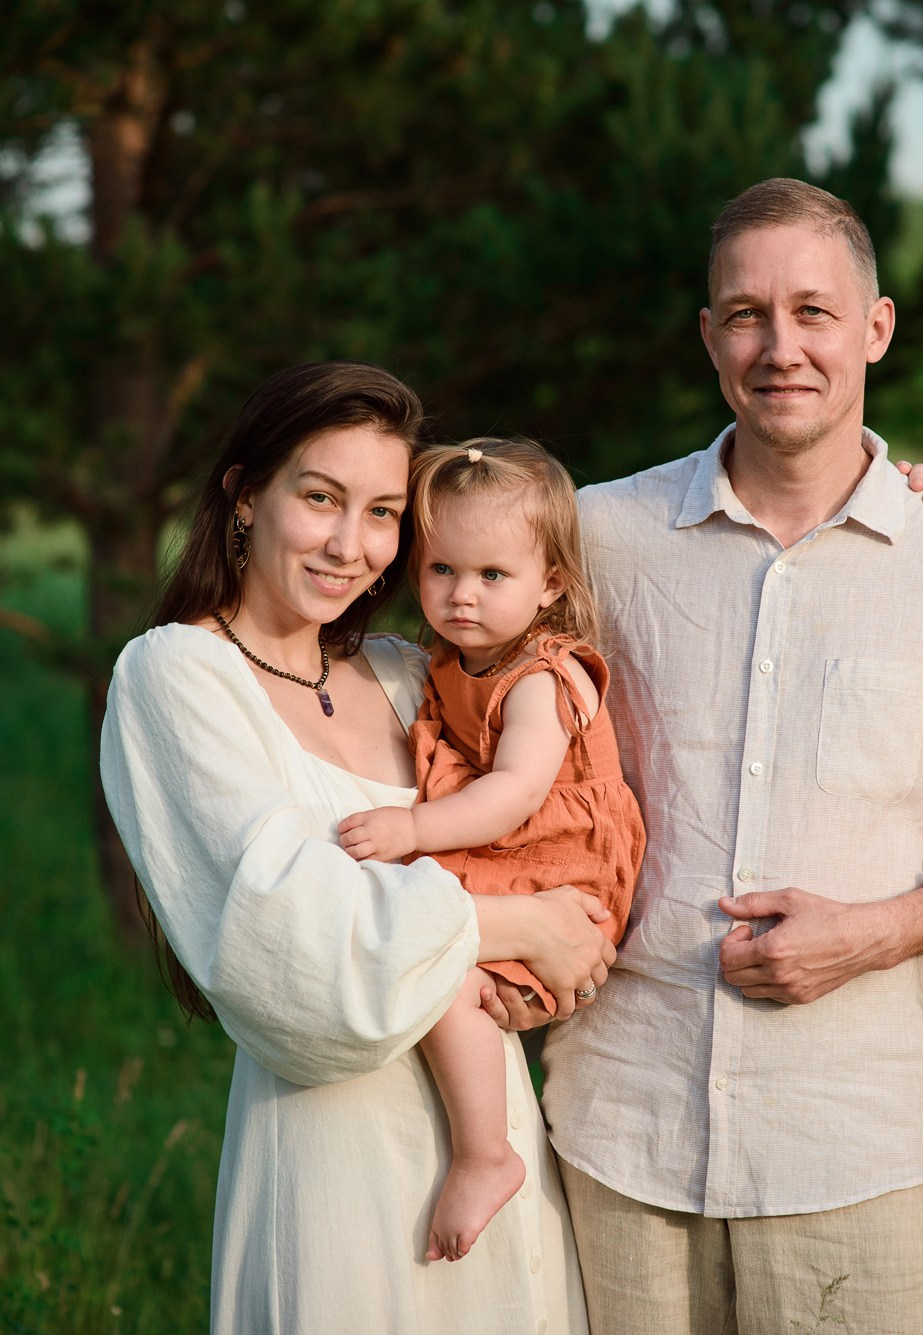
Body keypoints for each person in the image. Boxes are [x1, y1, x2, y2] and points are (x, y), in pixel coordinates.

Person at [492, 178, 923, 1334]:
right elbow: (448, 591)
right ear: (708, 338)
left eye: (813, 310)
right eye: (745, 314)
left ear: (876, 329)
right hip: (618, 1126)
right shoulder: (599, 536)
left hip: (850, 1139)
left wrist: (868, 937)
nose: (779, 345)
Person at [97, 362, 612, 1333]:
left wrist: (920, 497)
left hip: (493, 1127)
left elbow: (541, 813)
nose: (350, 545)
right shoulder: (178, 677)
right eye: (319, 498)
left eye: (381, 514)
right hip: (332, 1150)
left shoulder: (405, 672)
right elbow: (295, 938)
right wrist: (520, 924)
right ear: (244, 496)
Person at [336, 436, 642, 1265]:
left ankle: (485, 1153)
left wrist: (412, 831)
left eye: (491, 576)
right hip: (507, 853)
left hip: (559, 860)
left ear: (551, 584)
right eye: (441, 571)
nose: (461, 595)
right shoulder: (450, 659)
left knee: (449, 971)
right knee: (435, 943)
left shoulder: (540, 675)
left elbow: (512, 793)